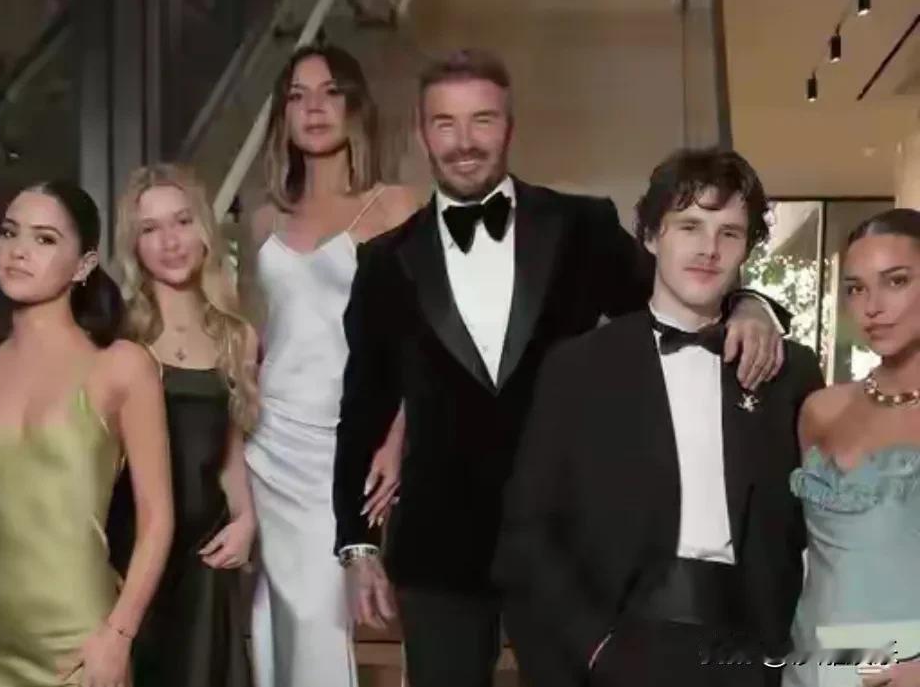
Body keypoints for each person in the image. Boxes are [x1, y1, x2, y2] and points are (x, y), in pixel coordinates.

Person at [333, 50, 789, 687]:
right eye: (445, 123)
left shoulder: (581, 226)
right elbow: (362, 407)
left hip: (569, 544)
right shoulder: (384, 261)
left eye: (482, 120)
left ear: (510, 127)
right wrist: (355, 543)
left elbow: (678, 298)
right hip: (439, 548)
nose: (464, 142)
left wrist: (751, 304)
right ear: (421, 133)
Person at [494, 147, 824, 687]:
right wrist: (593, 646)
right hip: (618, 648)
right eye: (689, 226)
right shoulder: (578, 366)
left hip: (751, 655)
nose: (709, 249)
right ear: (650, 236)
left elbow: (824, 527)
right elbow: (527, 532)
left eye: (729, 233)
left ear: (747, 248)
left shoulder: (790, 371)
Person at [238, 43, 419, 687]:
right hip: (268, 441)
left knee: (321, 613)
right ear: (282, 116)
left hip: (345, 442)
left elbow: (416, 342)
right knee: (274, 616)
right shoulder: (263, 216)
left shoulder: (396, 207)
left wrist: (395, 440)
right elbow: (260, 334)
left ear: (355, 106)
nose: (313, 108)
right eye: (297, 96)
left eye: (330, 92)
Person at [0, 180, 173, 687]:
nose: (19, 251)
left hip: (79, 642)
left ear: (83, 265)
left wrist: (118, 635)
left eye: (44, 239)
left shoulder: (121, 366)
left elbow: (157, 520)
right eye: (10, 233)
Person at [110, 163, 258, 687]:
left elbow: (228, 449)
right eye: (150, 229)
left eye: (182, 221)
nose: (170, 242)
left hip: (203, 558)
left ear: (204, 231)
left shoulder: (237, 336)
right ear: (134, 245)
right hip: (130, 555)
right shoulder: (118, 331)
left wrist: (246, 520)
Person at [783, 208, 920, 687]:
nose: (872, 306)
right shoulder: (820, 412)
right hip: (815, 671)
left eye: (896, 281)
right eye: (856, 288)